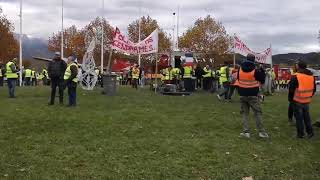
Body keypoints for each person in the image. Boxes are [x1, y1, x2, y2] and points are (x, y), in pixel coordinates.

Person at [237, 54, 269, 138]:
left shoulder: (239, 69)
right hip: (253, 95)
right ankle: (262, 132)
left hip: (242, 94)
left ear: (246, 59)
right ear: (253, 60)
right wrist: (262, 70)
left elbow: (238, 78)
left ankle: (246, 132)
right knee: (257, 113)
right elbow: (262, 80)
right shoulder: (255, 71)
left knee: (244, 113)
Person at [288, 61, 315, 138]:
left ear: (298, 67)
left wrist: (291, 99)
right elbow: (314, 89)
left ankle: (301, 134)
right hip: (306, 100)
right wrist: (308, 96)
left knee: (299, 118)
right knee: (307, 117)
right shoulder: (311, 76)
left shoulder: (295, 76)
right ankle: (310, 132)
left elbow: (291, 90)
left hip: (297, 100)